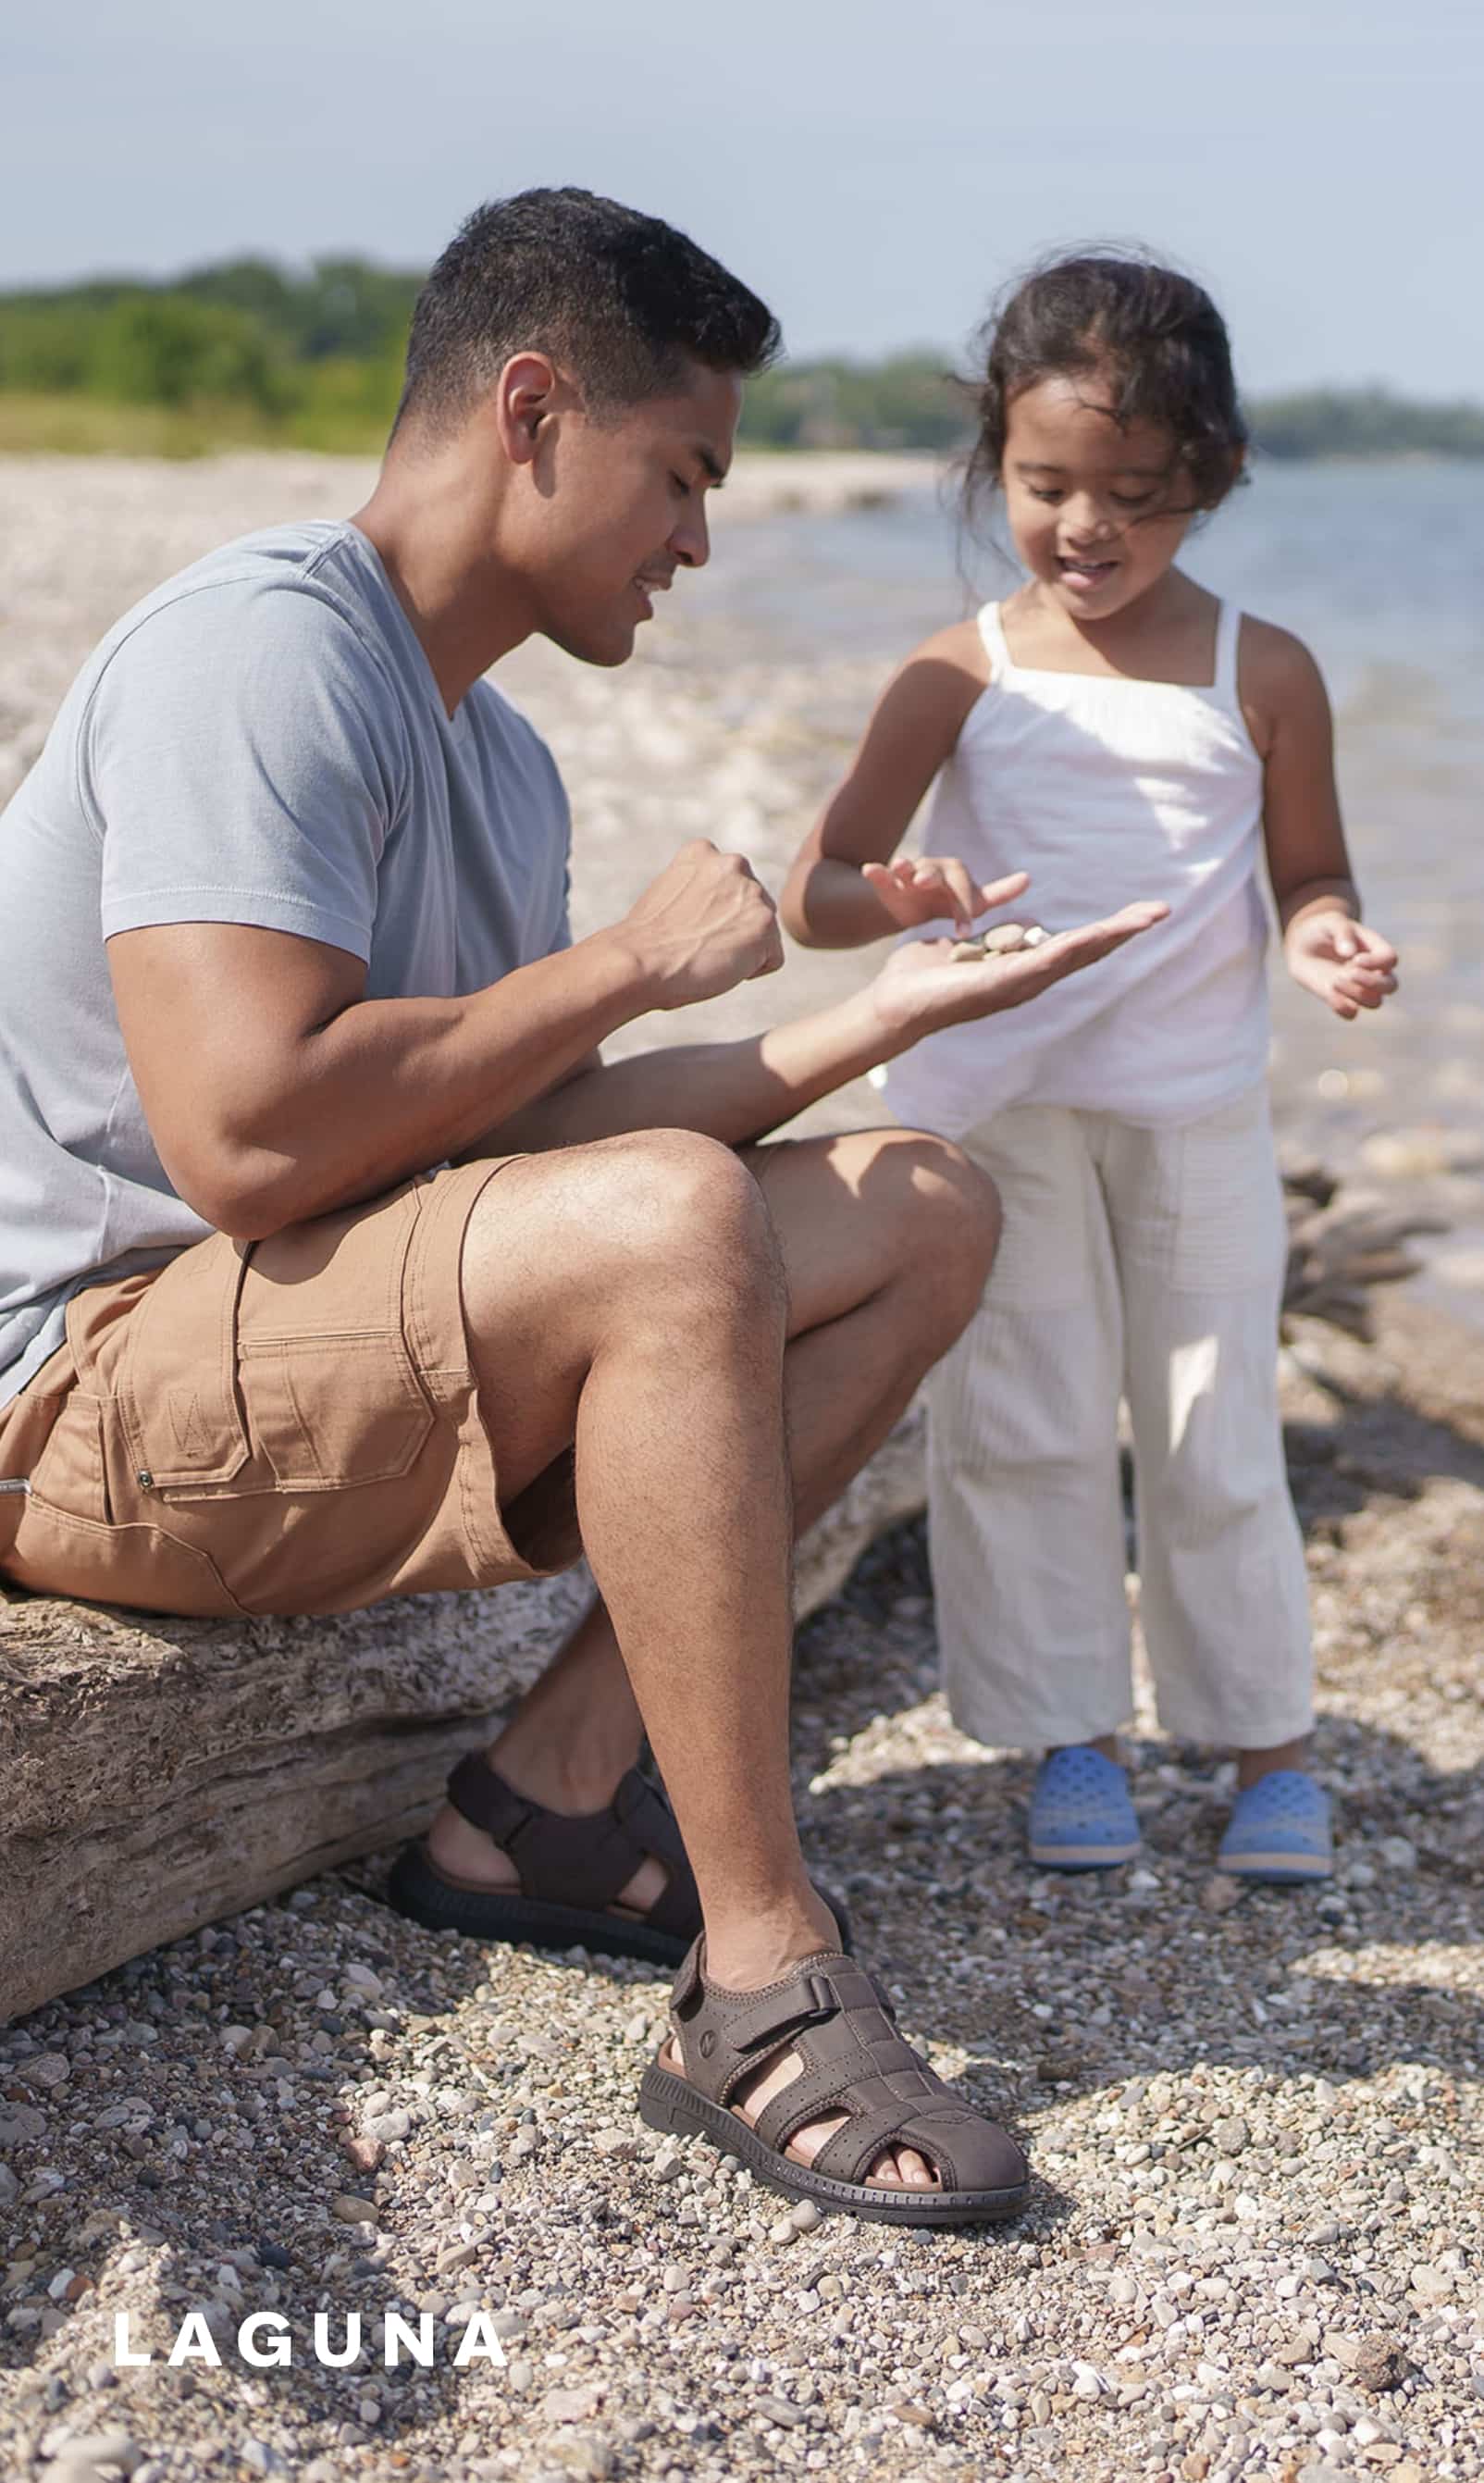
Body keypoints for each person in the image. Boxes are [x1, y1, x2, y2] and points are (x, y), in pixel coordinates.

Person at [0, 190, 1160, 2223]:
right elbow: (249, 1140)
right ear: (532, 408)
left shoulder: (507, 763)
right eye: (683, 474)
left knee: (921, 1198)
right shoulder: (263, 651)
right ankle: (759, 1972)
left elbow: (512, 1142)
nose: (703, 539)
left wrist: (861, 1018)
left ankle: (538, 1807)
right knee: (666, 1221)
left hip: (297, 1333)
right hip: (81, 1378)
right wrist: (629, 957)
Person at [781, 250, 1399, 1887]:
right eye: (1048, 485)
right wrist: (895, 898)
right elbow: (818, 888)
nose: (1085, 528)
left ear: (1214, 476)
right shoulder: (957, 669)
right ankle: (1073, 1736)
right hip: (996, 1111)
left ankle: (1268, 1744)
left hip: (1194, 1111)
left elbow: (1309, 875)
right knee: (1028, 1419)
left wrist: (1325, 939)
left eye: (1135, 493)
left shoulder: (1261, 673)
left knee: (1214, 1424)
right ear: (996, 460)